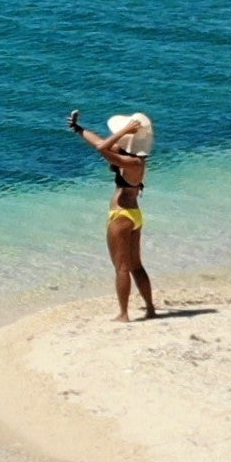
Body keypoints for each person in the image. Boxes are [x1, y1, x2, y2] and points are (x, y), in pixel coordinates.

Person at [67, 109, 158, 320]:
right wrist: (78, 129)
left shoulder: (133, 163)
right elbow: (98, 141)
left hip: (122, 216)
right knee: (136, 265)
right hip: (133, 214)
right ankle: (150, 309)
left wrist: (125, 129)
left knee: (122, 267)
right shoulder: (134, 157)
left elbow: (102, 147)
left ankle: (124, 314)